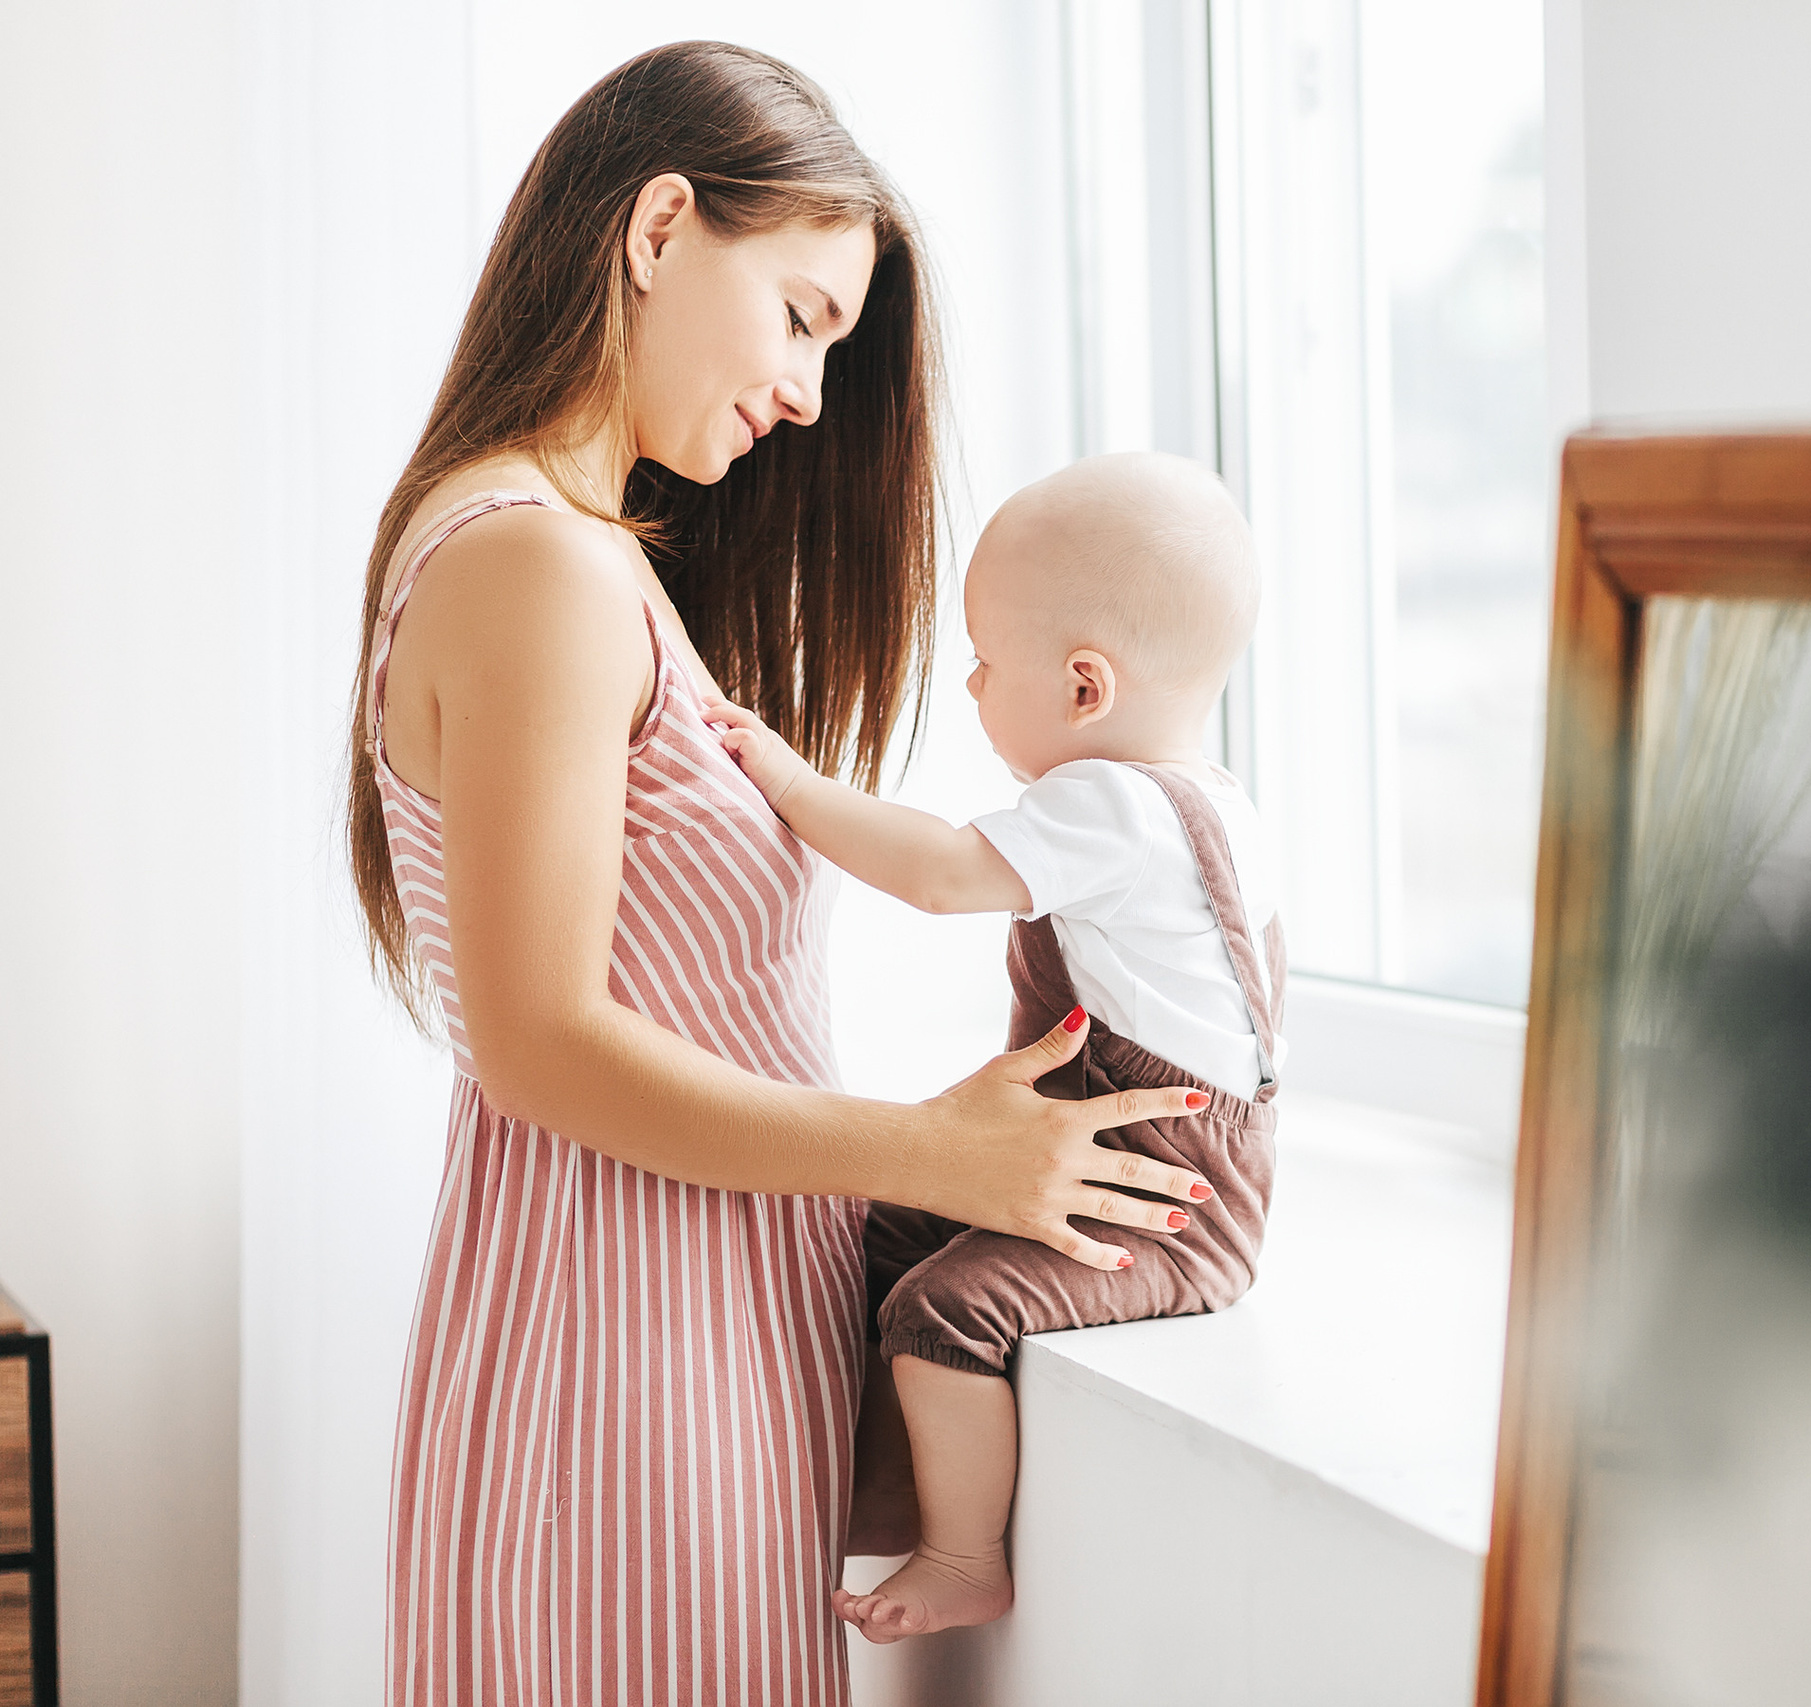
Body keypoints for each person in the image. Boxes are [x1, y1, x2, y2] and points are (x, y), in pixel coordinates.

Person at [348, 45, 1216, 1706]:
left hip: (668, 1343)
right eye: (807, 315)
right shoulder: (536, 560)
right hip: (616, 1365)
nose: (816, 394)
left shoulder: (575, 557)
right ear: (662, 227)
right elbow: (537, 1041)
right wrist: (932, 1152)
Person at [707, 452, 1284, 1641]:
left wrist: (783, 777)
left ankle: (963, 1556)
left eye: (982, 661)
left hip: (1159, 1197)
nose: (969, 682)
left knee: (942, 1311)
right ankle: (830, 1487)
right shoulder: (1215, 800)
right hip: (1144, 1157)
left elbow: (936, 875)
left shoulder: (1114, 806)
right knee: (866, 1236)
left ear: (1084, 687)